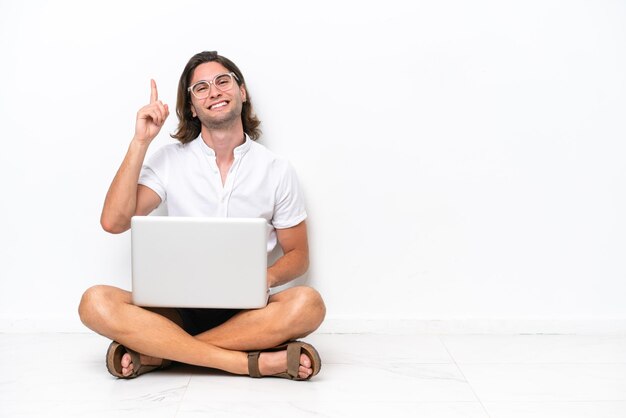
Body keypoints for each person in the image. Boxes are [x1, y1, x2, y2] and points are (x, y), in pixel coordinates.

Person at [78, 51, 326, 381]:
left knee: (308, 304)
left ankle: (157, 353)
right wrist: (141, 142)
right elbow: (114, 221)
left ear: (242, 91)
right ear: (192, 107)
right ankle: (246, 362)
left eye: (223, 81)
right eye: (201, 88)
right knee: (94, 302)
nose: (214, 91)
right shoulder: (169, 160)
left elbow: (298, 256)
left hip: (249, 312)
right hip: (174, 309)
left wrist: (263, 279)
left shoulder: (276, 170)